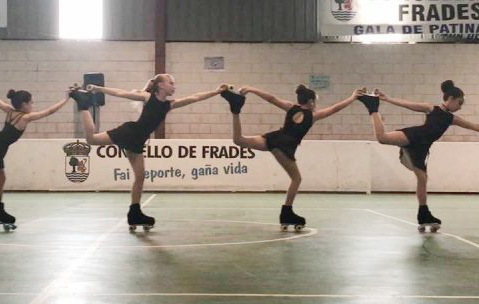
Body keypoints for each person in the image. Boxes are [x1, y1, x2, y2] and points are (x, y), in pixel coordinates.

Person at [69, 73, 227, 231]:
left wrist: (215, 92)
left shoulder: (169, 105)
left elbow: (195, 97)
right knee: (92, 140)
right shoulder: (147, 97)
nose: (174, 86)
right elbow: (120, 93)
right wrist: (98, 88)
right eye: (171, 83)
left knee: (140, 177)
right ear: (161, 85)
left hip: (138, 141)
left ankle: (135, 213)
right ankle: (83, 106)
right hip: (130, 132)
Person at [221, 84, 363, 231]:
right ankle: (286, 213)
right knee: (296, 179)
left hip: (273, 139)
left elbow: (271, 99)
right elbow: (336, 108)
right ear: (312, 102)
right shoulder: (314, 116)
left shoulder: (291, 107)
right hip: (284, 148)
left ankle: (235, 110)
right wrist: (352, 98)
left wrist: (252, 89)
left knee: (239, 140)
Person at [358, 80, 472, 232]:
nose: (460, 107)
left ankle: (423, 213)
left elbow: (475, 126)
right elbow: (409, 104)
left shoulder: (452, 119)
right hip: (415, 136)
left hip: (422, 149)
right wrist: (387, 99)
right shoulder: (431, 108)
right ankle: (372, 106)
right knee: (382, 138)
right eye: (459, 102)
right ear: (450, 98)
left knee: (422, 179)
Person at [0, 83, 70, 231]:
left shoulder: (9, 111)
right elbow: (50, 111)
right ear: (24, 104)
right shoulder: (26, 118)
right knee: (1, 179)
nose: (32, 105)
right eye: (31, 102)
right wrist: (66, 99)